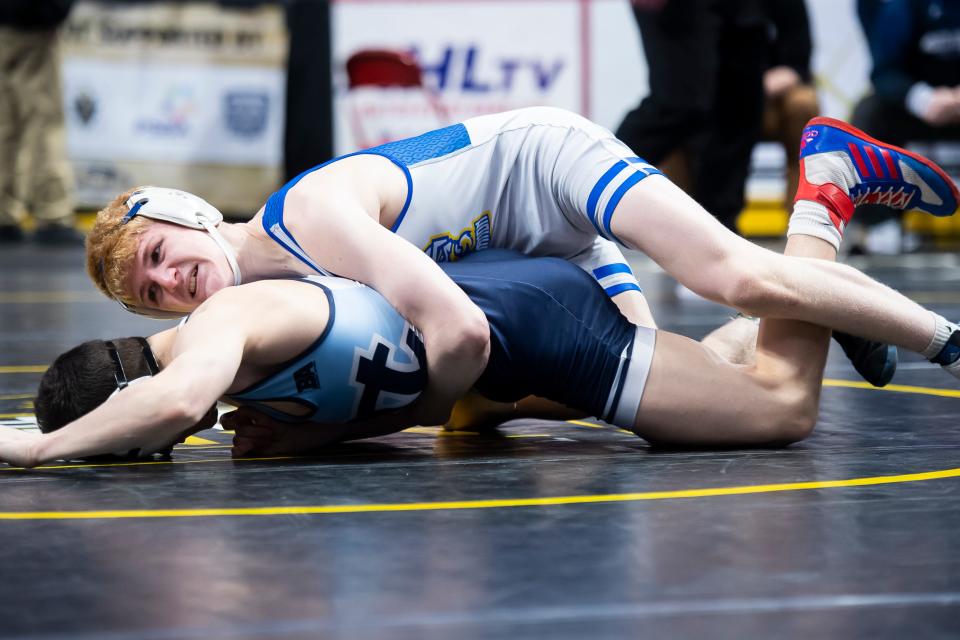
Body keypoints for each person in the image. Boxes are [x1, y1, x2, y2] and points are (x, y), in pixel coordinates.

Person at [85, 109, 958, 419]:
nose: (167, 282)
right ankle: (831, 290)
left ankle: (936, 327)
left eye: (158, 254)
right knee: (685, 389)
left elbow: (453, 330)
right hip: (527, 250)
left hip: (542, 165)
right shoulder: (281, 303)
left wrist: (410, 421)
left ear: (189, 213)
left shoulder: (307, 220)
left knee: (734, 273)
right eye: (147, 294)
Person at [10, 219, 960, 467]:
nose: (168, 287)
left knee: (780, 412)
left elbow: (169, 407)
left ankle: (822, 207)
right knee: (713, 373)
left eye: (162, 264)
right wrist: (308, 437)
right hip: (495, 342)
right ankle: (789, 318)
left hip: (520, 323)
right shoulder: (245, 399)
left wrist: (41, 450)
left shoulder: (211, 336)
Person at [851, 0, 960, 254]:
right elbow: (883, 72)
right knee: (869, 115)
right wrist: (922, 99)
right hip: (920, 106)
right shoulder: (904, 8)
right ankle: (878, 222)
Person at [0, 0, 82, 245]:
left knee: (4, 123)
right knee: (46, 122)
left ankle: (3, 211)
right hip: (32, 25)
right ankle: (52, 211)